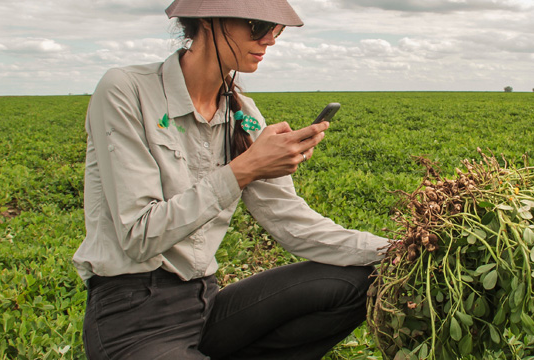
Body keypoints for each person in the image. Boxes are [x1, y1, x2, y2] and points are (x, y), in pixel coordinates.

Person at [71, 0, 389, 358]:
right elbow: (139, 236)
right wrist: (246, 168)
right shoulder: (126, 90)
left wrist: (399, 252)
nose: (270, 39)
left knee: (360, 281)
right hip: (133, 316)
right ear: (208, 21)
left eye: (278, 29)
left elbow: (291, 221)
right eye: (258, 27)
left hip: (204, 304)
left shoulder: (245, 115)